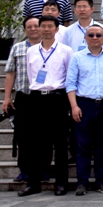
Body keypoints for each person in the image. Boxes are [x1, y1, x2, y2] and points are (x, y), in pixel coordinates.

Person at [17, 15, 75, 196]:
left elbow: (69, 76)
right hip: (36, 99)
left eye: (50, 26)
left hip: (57, 98)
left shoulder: (66, 51)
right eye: (44, 26)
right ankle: (33, 183)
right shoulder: (31, 51)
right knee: (35, 143)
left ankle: (61, 183)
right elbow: (31, 75)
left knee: (60, 143)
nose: (47, 29)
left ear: (57, 29)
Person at [66, 24, 103, 195]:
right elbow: (70, 83)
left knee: (102, 146)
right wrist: (74, 106)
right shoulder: (77, 57)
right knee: (82, 146)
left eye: (98, 35)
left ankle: (102, 181)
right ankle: (82, 182)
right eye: (91, 35)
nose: (94, 38)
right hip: (84, 104)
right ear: (85, 38)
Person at [3, 17, 41, 183]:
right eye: (29, 27)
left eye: (36, 26)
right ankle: (24, 170)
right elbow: (10, 73)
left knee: (42, 135)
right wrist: (7, 97)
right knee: (23, 135)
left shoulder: (49, 47)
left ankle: (42, 170)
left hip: (44, 97)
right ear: (25, 30)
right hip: (23, 96)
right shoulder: (17, 48)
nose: (33, 29)